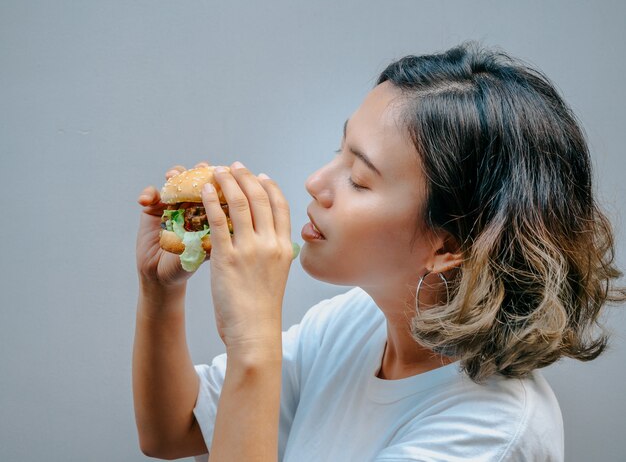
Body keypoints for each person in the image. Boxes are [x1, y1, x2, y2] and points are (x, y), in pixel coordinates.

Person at [133, 42, 625, 461]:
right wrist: (160, 292)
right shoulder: (356, 324)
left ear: (448, 246)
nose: (315, 183)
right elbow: (173, 432)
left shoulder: (488, 433)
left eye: (360, 179)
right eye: (338, 150)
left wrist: (254, 342)